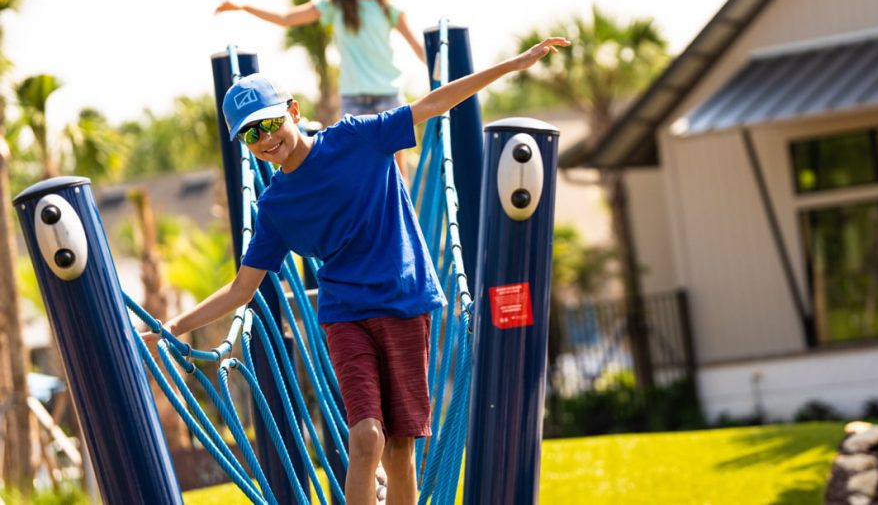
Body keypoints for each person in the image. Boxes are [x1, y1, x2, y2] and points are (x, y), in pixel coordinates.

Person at [144, 36, 569, 505]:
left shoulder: (357, 138)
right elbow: (241, 289)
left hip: (404, 301)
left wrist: (513, 64)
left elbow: (432, 104)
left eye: (269, 123)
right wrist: (171, 329)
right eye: (250, 134)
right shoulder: (275, 206)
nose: (265, 139)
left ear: (292, 111)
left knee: (402, 449)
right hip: (346, 316)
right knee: (366, 436)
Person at [215, 0, 427, 172]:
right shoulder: (335, 4)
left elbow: (418, 48)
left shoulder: (389, 7)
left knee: (398, 169)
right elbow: (287, 18)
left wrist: (442, 72)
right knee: (358, 167)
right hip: (354, 98)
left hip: (388, 94)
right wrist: (244, 7)